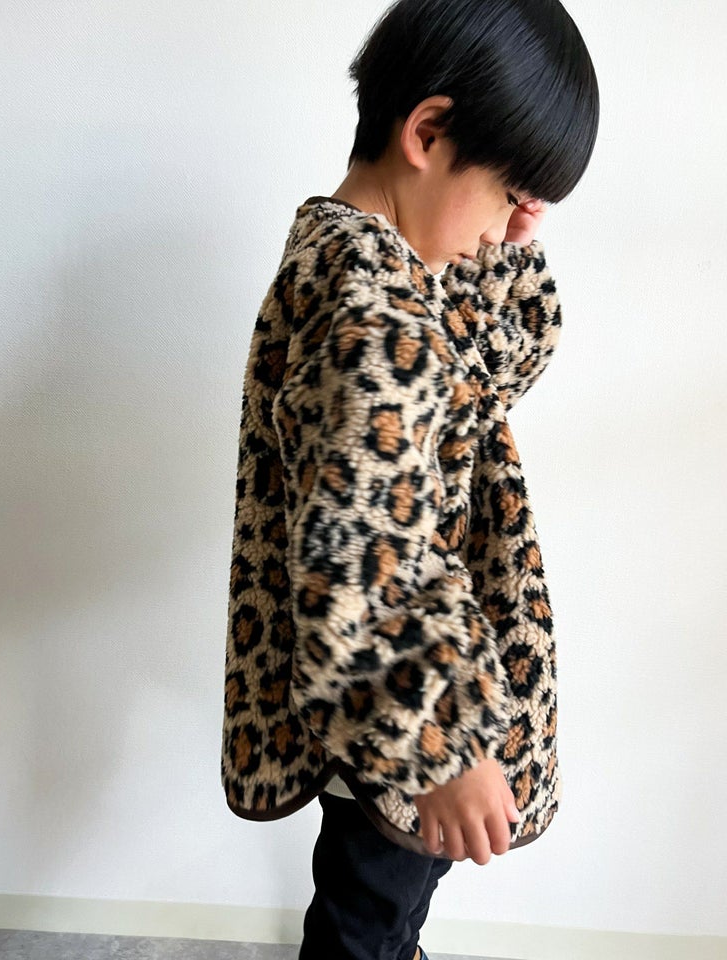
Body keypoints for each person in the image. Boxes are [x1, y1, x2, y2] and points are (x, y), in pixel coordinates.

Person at [220, 1, 599, 958]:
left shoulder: (369, 258)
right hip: (405, 720)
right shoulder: (373, 309)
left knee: (382, 915)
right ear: (427, 133)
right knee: (366, 924)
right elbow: (362, 550)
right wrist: (448, 747)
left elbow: (485, 375)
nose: (507, 225)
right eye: (506, 192)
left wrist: (511, 245)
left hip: (391, 706)